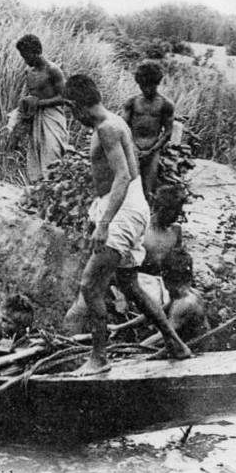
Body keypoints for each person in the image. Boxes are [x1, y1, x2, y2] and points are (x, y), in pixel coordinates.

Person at [59, 74, 191, 374]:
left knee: (90, 286)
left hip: (122, 211)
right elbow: (130, 174)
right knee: (130, 284)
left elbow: (122, 175)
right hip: (131, 206)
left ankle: (99, 357)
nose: (73, 117)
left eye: (71, 110)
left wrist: (104, 223)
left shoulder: (106, 128)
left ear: (77, 106)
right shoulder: (116, 122)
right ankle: (175, 343)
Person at [10, 34, 69, 182]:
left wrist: (39, 103)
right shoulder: (28, 72)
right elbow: (30, 96)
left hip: (52, 117)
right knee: (35, 154)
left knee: (52, 154)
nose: (25, 60)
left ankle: (53, 190)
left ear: (36, 52)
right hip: (34, 117)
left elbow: (64, 98)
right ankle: (38, 192)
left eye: (26, 56)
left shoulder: (53, 70)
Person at [123, 60, 175, 201]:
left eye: (150, 85)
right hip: (133, 147)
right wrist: (133, 147)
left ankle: (147, 219)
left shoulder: (165, 104)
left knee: (147, 191)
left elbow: (168, 132)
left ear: (157, 83)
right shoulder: (132, 102)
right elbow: (124, 127)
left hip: (152, 150)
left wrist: (151, 150)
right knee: (127, 186)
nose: (146, 89)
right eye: (143, 86)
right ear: (139, 84)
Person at [139, 248, 207, 347]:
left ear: (166, 277)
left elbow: (166, 336)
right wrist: (119, 327)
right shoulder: (185, 293)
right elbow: (155, 312)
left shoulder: (184, 304)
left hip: (195, 351)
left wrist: (137, 347)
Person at [139, 184, 186, 276]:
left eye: (178, 213)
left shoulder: (175, 230)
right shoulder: (143, 229)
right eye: (174, 213)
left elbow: (178, 260)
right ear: (161, 209)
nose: (176, 218)